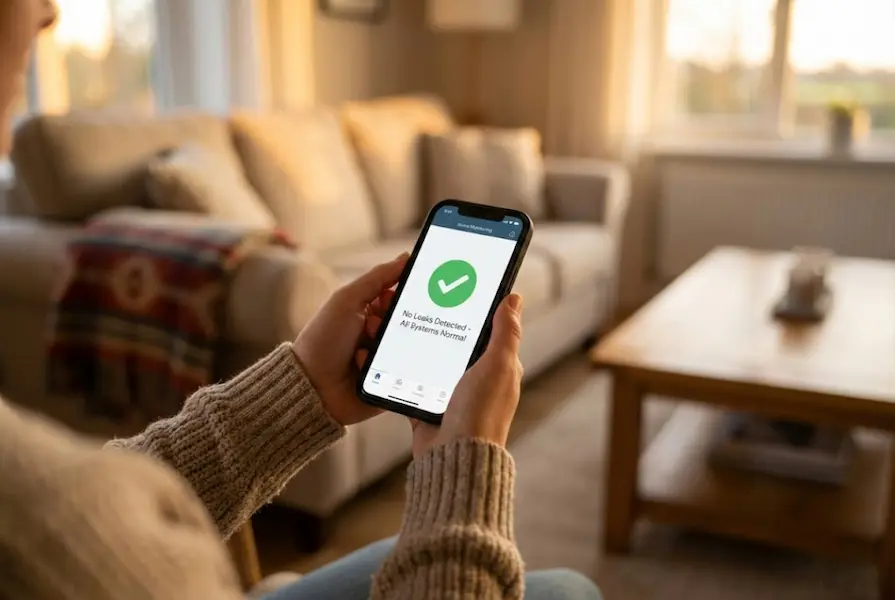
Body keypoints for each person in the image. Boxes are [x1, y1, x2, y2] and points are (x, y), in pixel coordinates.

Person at [0, 2, 602, 598]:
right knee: (568, 592)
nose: (51, 12)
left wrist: (303, 385)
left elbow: (122, 514)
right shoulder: (55, 543)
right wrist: (465, 471)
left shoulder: (53, 501)